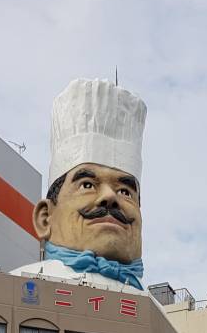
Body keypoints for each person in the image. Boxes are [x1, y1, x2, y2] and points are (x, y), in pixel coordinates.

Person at [12, 78, 147, 293]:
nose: (110, 197)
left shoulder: (156, 313)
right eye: (87, 185)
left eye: (125, 191)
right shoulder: (16, 290)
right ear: (45, 217)